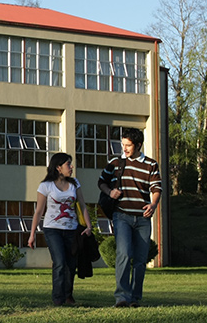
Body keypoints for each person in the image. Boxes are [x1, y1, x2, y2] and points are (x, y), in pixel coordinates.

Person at [97, 128, 161, 308]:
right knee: (124, 254)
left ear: (138, 145)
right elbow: (101, 182)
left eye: (128, 145)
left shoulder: (151, 164)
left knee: (140, 260)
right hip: (122, 215)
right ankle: (122, 297)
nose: (124, 148)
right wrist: (110, 192)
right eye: (122, 144)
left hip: (142, 218)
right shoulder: (116, 163)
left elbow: (157, 188)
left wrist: (153, 204)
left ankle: (135, 298)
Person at [29, 152, 93, 306]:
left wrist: (89, 226)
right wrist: (32, 234)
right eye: (68, 164)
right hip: (52, 229)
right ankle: (58, 298)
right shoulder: (46, 186)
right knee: (59, 262)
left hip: (72, 229)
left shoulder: (75, 183)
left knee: (71, 264)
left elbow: (82, 205)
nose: (71, 167)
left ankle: (68, 296)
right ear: (58, 167)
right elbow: (39, 211)